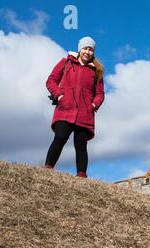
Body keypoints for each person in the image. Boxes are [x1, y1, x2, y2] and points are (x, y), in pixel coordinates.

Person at [45, 36, 105, 178]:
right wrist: (59, 95)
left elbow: (100, 94)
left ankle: (81, 175)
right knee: (59, 138)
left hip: (85, 113)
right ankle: (48, 167)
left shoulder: (97, 71)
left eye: (90, 49)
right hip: (65, 109)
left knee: (81, 145)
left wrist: (93, 105)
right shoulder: (65, 62)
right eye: (85, 48)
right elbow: (51, 80)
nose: (87, 52)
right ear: (80, 49)